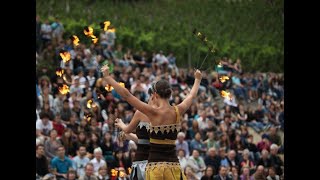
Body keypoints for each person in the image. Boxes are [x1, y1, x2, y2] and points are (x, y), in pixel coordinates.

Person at [101, 65, 202, 180]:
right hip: (174, 167)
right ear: (170, 94)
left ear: (155, 95)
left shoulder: (152, 112)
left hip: (155, 168)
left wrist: (108, 78)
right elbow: (191, 95)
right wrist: (197, 79)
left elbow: (127, 95)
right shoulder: (178, 111)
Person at [114, 87, 156, 180]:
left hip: (145, 161)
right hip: (158, 161)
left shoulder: (142, 112)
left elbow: (127, 129)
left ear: (153, 96)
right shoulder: (165, 114)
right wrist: (129, 136)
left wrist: (121, 124)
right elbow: (145, 140)